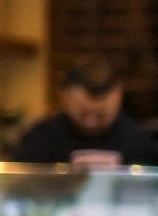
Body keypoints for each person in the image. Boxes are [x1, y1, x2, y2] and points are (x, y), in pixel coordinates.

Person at [12, 58, 158, 167]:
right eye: (82, 113)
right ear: (65, 97)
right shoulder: (39, 140)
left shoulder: (140, 143)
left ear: (119, 97)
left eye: (102, 115)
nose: (91, 123)